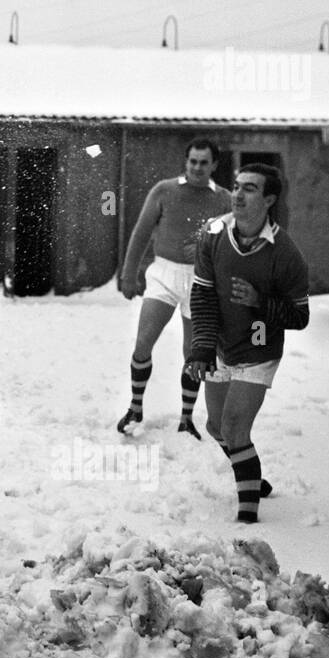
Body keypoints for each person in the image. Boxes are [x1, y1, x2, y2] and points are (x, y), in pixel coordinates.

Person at [185, 163, 310, 523]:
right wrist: (203, 348)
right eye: (236, 186)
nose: (237, 194)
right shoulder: (213, 233)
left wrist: (260, 302)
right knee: (216, 427)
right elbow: (203, 296)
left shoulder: (286, 254)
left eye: (250, 189)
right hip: (222, 345)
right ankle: (251, 476)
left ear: (269, 199)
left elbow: (300, 317)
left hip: (259, 350)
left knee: (237, 430)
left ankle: (248, 520)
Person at [116, 137, 232, 438]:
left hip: (201, 280)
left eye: (203, 162)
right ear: (186, 161)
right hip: (164, 274)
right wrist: (129, 274)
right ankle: (135, 406)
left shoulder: (224, 199)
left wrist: (208, 249)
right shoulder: (165, 190)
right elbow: (141, 232)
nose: (197, 167)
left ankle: (186, 417)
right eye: (192, 161)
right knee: (143, 342)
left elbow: (232, 244)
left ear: (214, 165)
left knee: (194, 353)